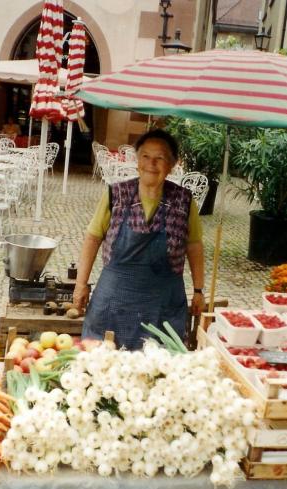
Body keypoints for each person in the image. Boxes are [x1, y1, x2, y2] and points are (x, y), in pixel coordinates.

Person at [73, 129, 205, 350]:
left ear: (172, 164)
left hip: (163, 305)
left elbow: (194, 245)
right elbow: (93, 238)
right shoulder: (116, 194)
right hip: (114, 303)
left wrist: (199, 290)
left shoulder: (183, 201)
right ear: (137, 161)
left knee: (160, 370)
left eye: (160, 158)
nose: (151, 164)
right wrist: (80, 285)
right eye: (145, 156)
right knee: (104, 366)